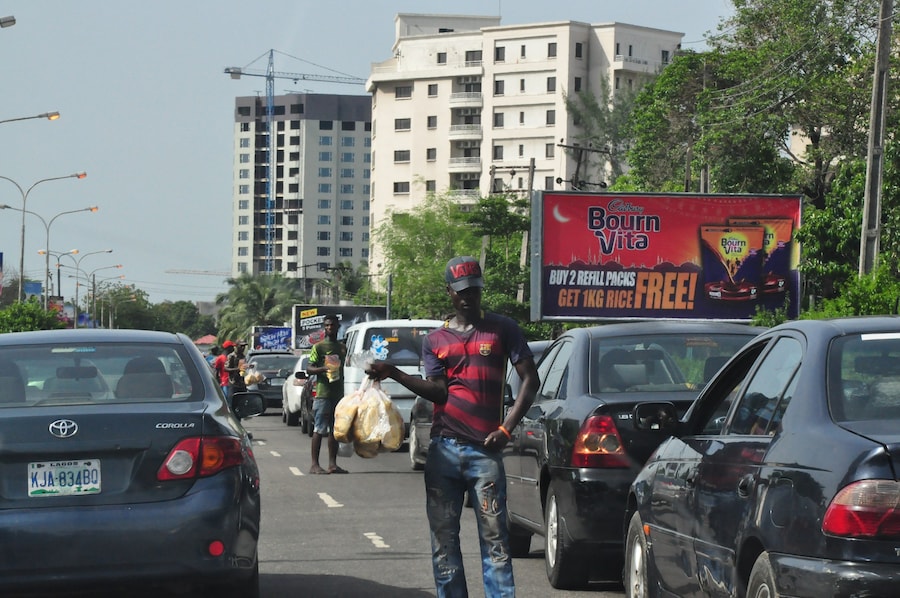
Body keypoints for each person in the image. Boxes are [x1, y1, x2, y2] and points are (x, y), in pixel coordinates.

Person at [366, 256, 539, 598]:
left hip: (485, 454)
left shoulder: (503, 329)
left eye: (474, 290)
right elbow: (438, 391)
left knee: (495, 544)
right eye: (461, 291)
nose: (467, 297)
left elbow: (529, 381)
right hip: (444, 452)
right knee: (444, 543)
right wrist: (395, 373)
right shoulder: (435, 340)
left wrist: (505, 429)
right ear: (449, 292)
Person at [306, 314, 348, 475]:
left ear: (338, 327)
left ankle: (332, 464)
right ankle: (314, 464)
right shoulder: (318, 347)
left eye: (333, 325)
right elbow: (309, 368)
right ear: (324, 327)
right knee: (319, 429)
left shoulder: (342, 348)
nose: (330, 328)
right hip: (323, 394)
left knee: (334, 430)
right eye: (327, 325)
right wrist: (323, 369)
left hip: (338, 393)